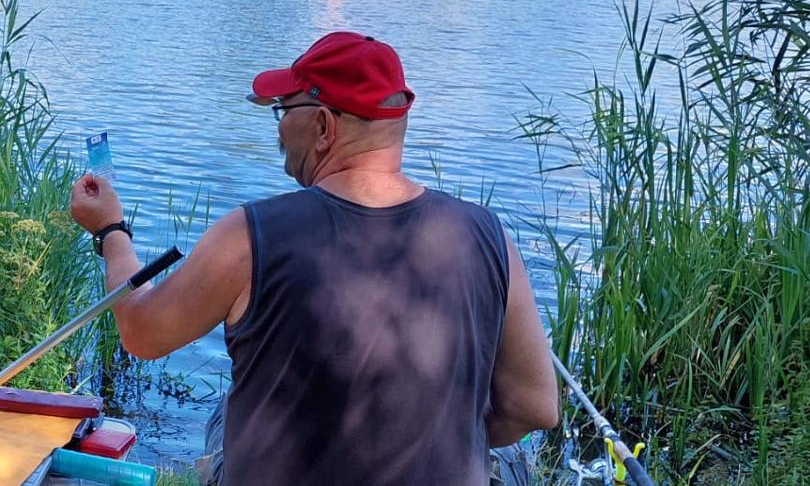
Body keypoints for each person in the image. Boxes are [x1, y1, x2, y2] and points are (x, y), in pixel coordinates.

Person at [67, 31, 560, 485]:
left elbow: (143, 332)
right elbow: (536, 406)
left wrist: (112, 231)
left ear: (323, 126)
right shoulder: (491, 238)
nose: (279, 130)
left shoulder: (250, 236)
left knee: (226, 414)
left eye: (282, 110)